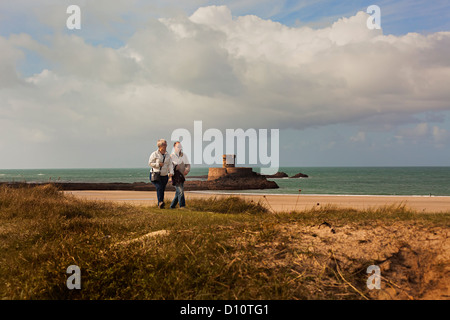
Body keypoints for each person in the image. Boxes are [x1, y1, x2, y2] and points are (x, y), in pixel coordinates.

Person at [149, 139, 173, 209]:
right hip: (155, 174)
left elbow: (170, 164)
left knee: (162, 189)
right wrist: (158, 164)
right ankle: (160, 202)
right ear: (159, 146)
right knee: (159, 187)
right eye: (164, 145)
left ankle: (160, 204)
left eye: (166, 144)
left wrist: (171, 172)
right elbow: (150, 163)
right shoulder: (154, 154)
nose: (165, 146)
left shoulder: (168, 155)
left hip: (165, 175)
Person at [170, 141, 190, 209]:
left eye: (180, 146)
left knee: (178, 192)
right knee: (180, 191)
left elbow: (188, 165)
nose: (179, 148)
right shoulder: (171, 156)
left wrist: (187, 170)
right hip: (175, 177)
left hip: (182, 176)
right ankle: (182, 206)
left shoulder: (184, 155)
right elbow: (169, 166)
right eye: (177, 146)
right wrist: (175, 167)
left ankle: (172, 206)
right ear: (174, 147)